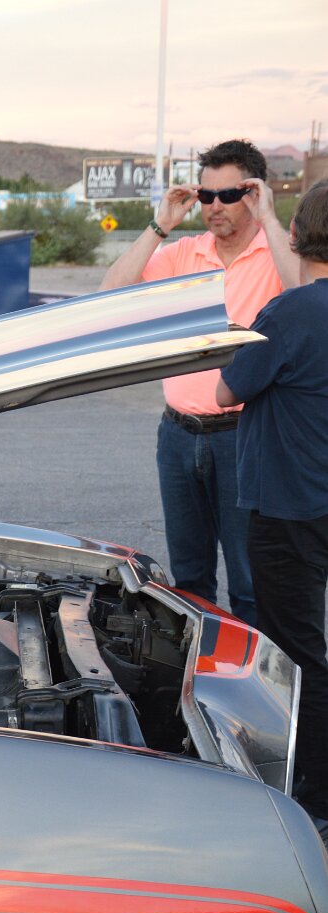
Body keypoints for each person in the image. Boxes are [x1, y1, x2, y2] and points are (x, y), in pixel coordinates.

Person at [99, 139, 299, 625]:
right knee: (189, 583)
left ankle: (253, 672)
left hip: (246, 435)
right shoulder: (184, 253)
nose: (215, 206)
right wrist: (160, 225)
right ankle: (199, 670)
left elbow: (306, 293)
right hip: (179, 434)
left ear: (253, 194)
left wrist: (271, 220)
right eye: (207, 196)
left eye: (229, 195)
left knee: (250, 583)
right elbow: (109, 295)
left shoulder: (275, 253)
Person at [216, 179, 328, 834]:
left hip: (290, 505)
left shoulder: (285, 315)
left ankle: (315, 793)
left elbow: (228, 390)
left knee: (298, 654)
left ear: (296, 235)